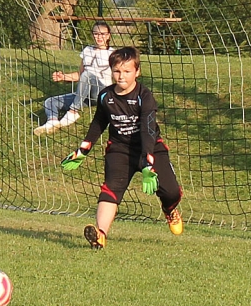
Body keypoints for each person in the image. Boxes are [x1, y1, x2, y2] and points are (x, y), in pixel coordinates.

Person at [60, 46, 183, 249]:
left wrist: (148, 162)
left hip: (151, 148)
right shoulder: (105, 96)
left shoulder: (145, 96)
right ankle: (100, 235)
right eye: (117, 71)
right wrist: (83, 150)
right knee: (110, 190)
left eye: (127, 71)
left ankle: (169, 210)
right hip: (120, 150)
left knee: (172, 192)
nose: (121, 76)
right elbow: (98, 123)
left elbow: (148, 131)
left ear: (137, 71)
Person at [35, 22, 113, 136]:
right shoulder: (87, 50)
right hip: (84, 95)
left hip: (102, 93)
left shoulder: (113, 53)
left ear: (108, 35)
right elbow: (80, 75)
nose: (99, 37)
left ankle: (73, 112)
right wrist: (63, 77)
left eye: (103, 34)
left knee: (87, 75)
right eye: (96, 34)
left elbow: (119, 75)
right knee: (50, 101)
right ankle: (52, 122)